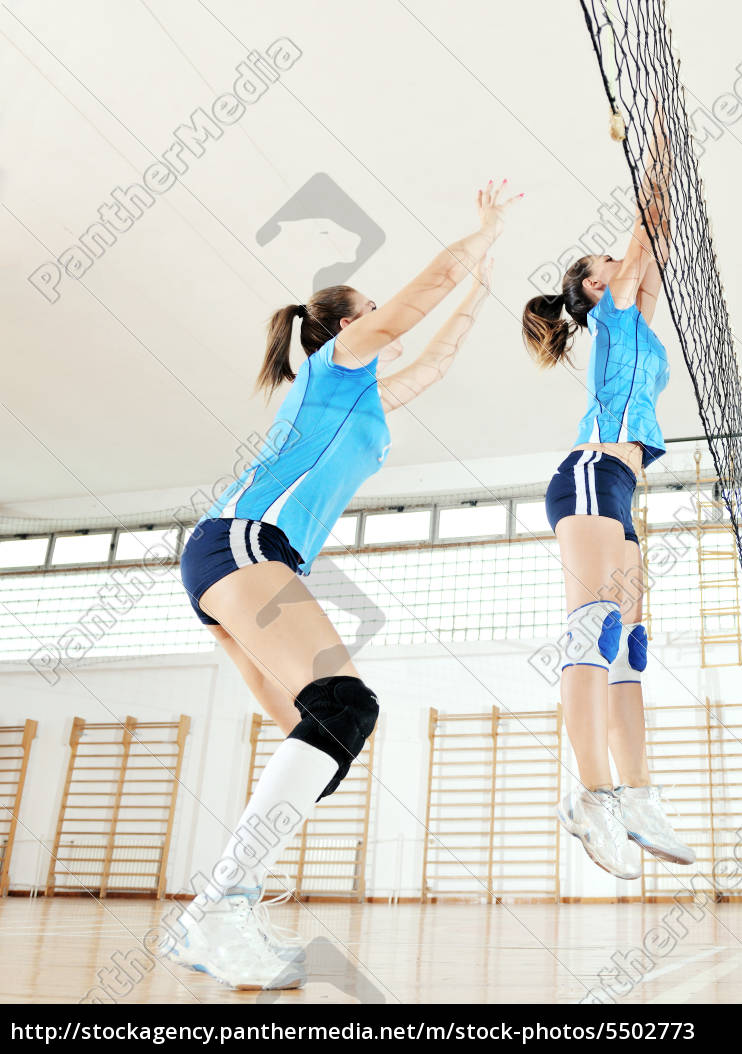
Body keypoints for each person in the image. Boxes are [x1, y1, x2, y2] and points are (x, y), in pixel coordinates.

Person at [164, 181, 519, 990]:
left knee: (322, 735)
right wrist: (479, 234)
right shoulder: (333, 363)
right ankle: (220, 906)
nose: (378, 321)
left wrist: (483, 282)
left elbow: (436, 358)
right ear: (348, 325)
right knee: (344, 706)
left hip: (242, 559)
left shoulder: (367, 397)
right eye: (369, 312)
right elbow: (413, 305)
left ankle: (218, 909)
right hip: (247, 543)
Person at [521, 123, 693, 879]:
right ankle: (589, 795)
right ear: (596, 289)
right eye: (607, 264)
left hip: (621, 490)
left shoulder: (637, 328)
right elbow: (650, 230)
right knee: (592, 629)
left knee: (630, 644)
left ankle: (636, 796)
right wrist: (658, 146)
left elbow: (655, 249)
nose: (622, 265)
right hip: (591, 472)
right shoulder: (616, 313)